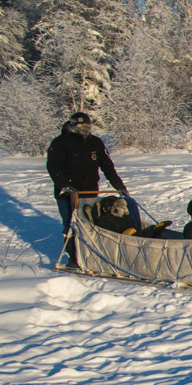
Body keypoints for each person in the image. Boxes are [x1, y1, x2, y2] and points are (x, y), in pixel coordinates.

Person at [46, 112, 133, 268]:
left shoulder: (95, 143)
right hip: (68, 194)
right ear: (72, 126)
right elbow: (54, 167)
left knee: (92, 223)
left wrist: (119, 185)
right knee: (71, 224)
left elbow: (107, 166)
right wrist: (65, 185)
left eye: (87, 126)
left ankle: (92, 256)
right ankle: (74, 258)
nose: (84, 130)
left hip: (90, 192)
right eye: (80, 127)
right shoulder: (60, 143)